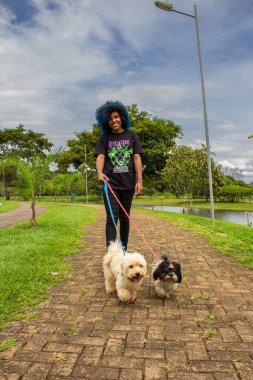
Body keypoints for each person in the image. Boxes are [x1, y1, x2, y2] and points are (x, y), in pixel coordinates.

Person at [94, 100, 143, 250]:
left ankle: (122, 252)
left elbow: (136, 157)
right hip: (110, 183)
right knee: (111, 219)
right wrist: (100, 173)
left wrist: (139, 180)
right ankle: (110, 255)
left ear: (122, 117)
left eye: (115, 117)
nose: (113, 121)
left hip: (128, 182)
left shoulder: (131, 135)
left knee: (125, 218)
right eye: (109, 119)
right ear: (105, 122)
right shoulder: (105, 138)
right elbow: (100, 157)